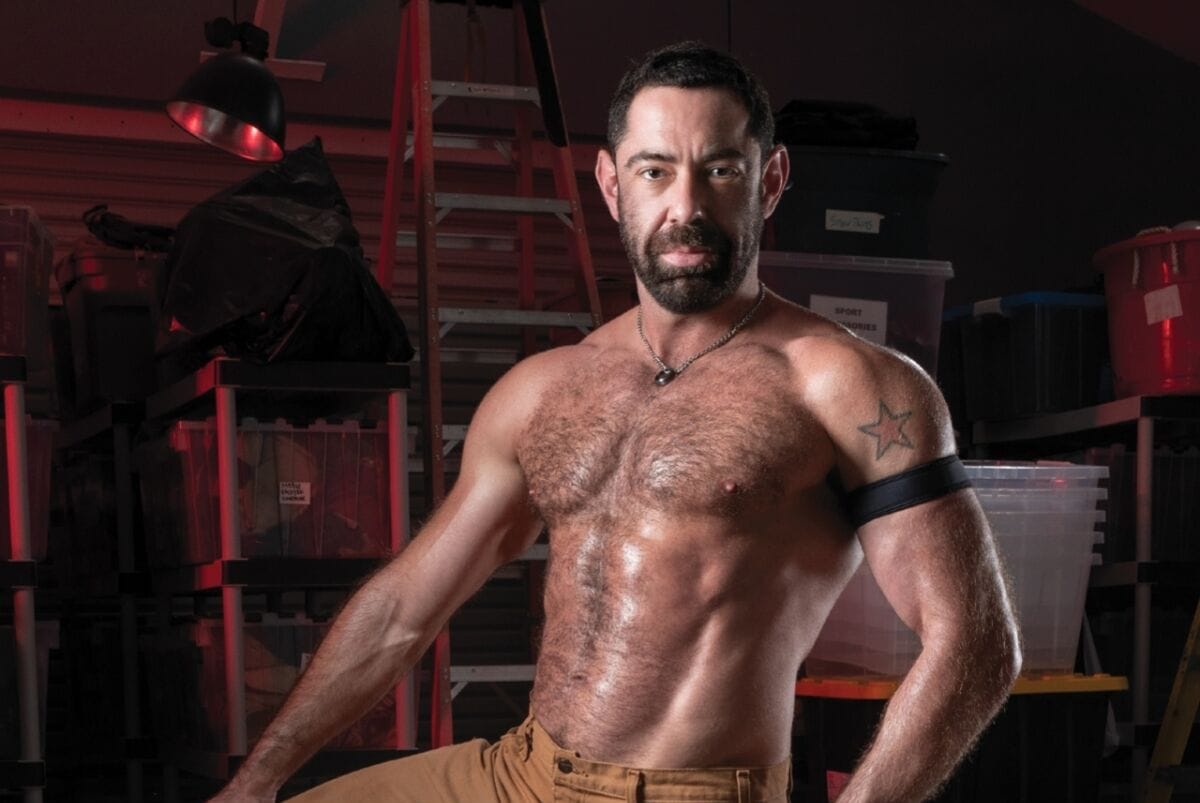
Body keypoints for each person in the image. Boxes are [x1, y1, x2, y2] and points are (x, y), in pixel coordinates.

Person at [212, 41, 1021, 803]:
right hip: (521, 771)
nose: (685, 206)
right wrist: (254, 781)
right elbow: (401, 611)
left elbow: (975, 643)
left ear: (770, 181)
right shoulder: (545, 388)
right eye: (655, 170)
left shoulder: (845, 384)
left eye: (720, 169)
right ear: (611, 185)